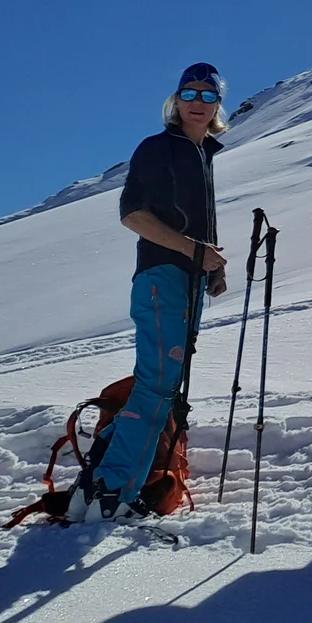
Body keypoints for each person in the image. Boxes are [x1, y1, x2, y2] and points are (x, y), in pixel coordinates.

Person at [67, 63, 229, 521]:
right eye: (189, 94)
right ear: (175, 102)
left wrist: (209, 266)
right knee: (157, 386)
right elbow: (132, 214)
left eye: (207, 95)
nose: (198, 103)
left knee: (162, 385)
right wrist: (193, 252)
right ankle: (112, 491)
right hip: (162, 277)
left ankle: (113, 485)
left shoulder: (202, 154)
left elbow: (190, 224)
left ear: (218, 104)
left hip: (186, 279)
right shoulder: (160, 148)